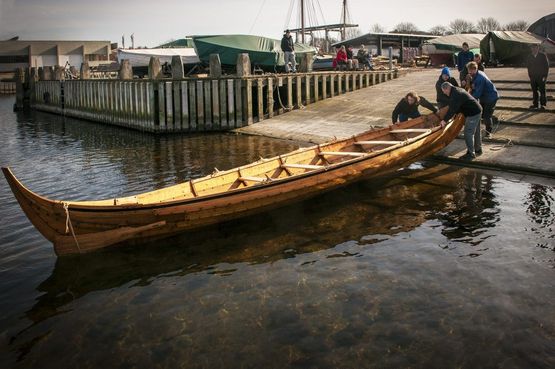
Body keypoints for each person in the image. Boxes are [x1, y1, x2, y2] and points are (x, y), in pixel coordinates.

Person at [440, 82, 483, 160]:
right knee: (476, 131)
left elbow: (452, 109)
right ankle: (478, 149)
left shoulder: (455, 94)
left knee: (468, 133)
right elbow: (457, 106)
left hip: (473, 113)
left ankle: (471, 154)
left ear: (447, 88)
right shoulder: (456, 90)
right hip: (477, 110)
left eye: (444, 91)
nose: (444, 93)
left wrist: (444, 120)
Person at [467, 61, 499, 138]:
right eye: (468, 70)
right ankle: (490, 121)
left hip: (491, 97)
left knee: (486, 116)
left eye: (470, 71)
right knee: (482, 113)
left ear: (474, 69)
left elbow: (478, 93)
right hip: (484, 97)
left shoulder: (480, 78)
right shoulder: (477, 73)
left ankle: (488, 133)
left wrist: (468, 99)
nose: (469, 72)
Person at [527, 44, 550, 110]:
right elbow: (528, 66)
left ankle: (543, 104)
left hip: (541, 76)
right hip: (533, 77)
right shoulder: (529, 56)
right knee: (534, 91)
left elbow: (546, 67)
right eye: (532, 47)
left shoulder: (542, 56)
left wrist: (545, 76)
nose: (533, 49)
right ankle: (535, 104)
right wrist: (530, 76)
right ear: (531, 48)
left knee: (542, 91)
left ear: (538, 48)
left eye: (535, 47)